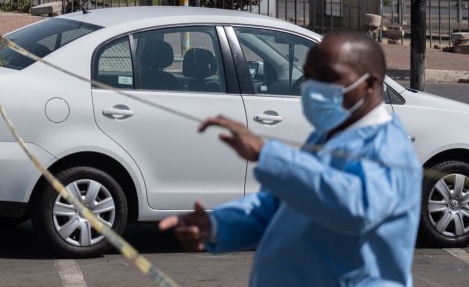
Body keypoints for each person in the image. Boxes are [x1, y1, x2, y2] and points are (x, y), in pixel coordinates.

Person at [158, 30, 421, 287]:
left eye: (328, 77)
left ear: (371, 84)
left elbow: (355, 208)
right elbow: (278, 205)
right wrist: (216, 226)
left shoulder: (386, 148)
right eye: (308, 76)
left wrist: (267, 154)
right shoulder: (326, 135)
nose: (313, 87)